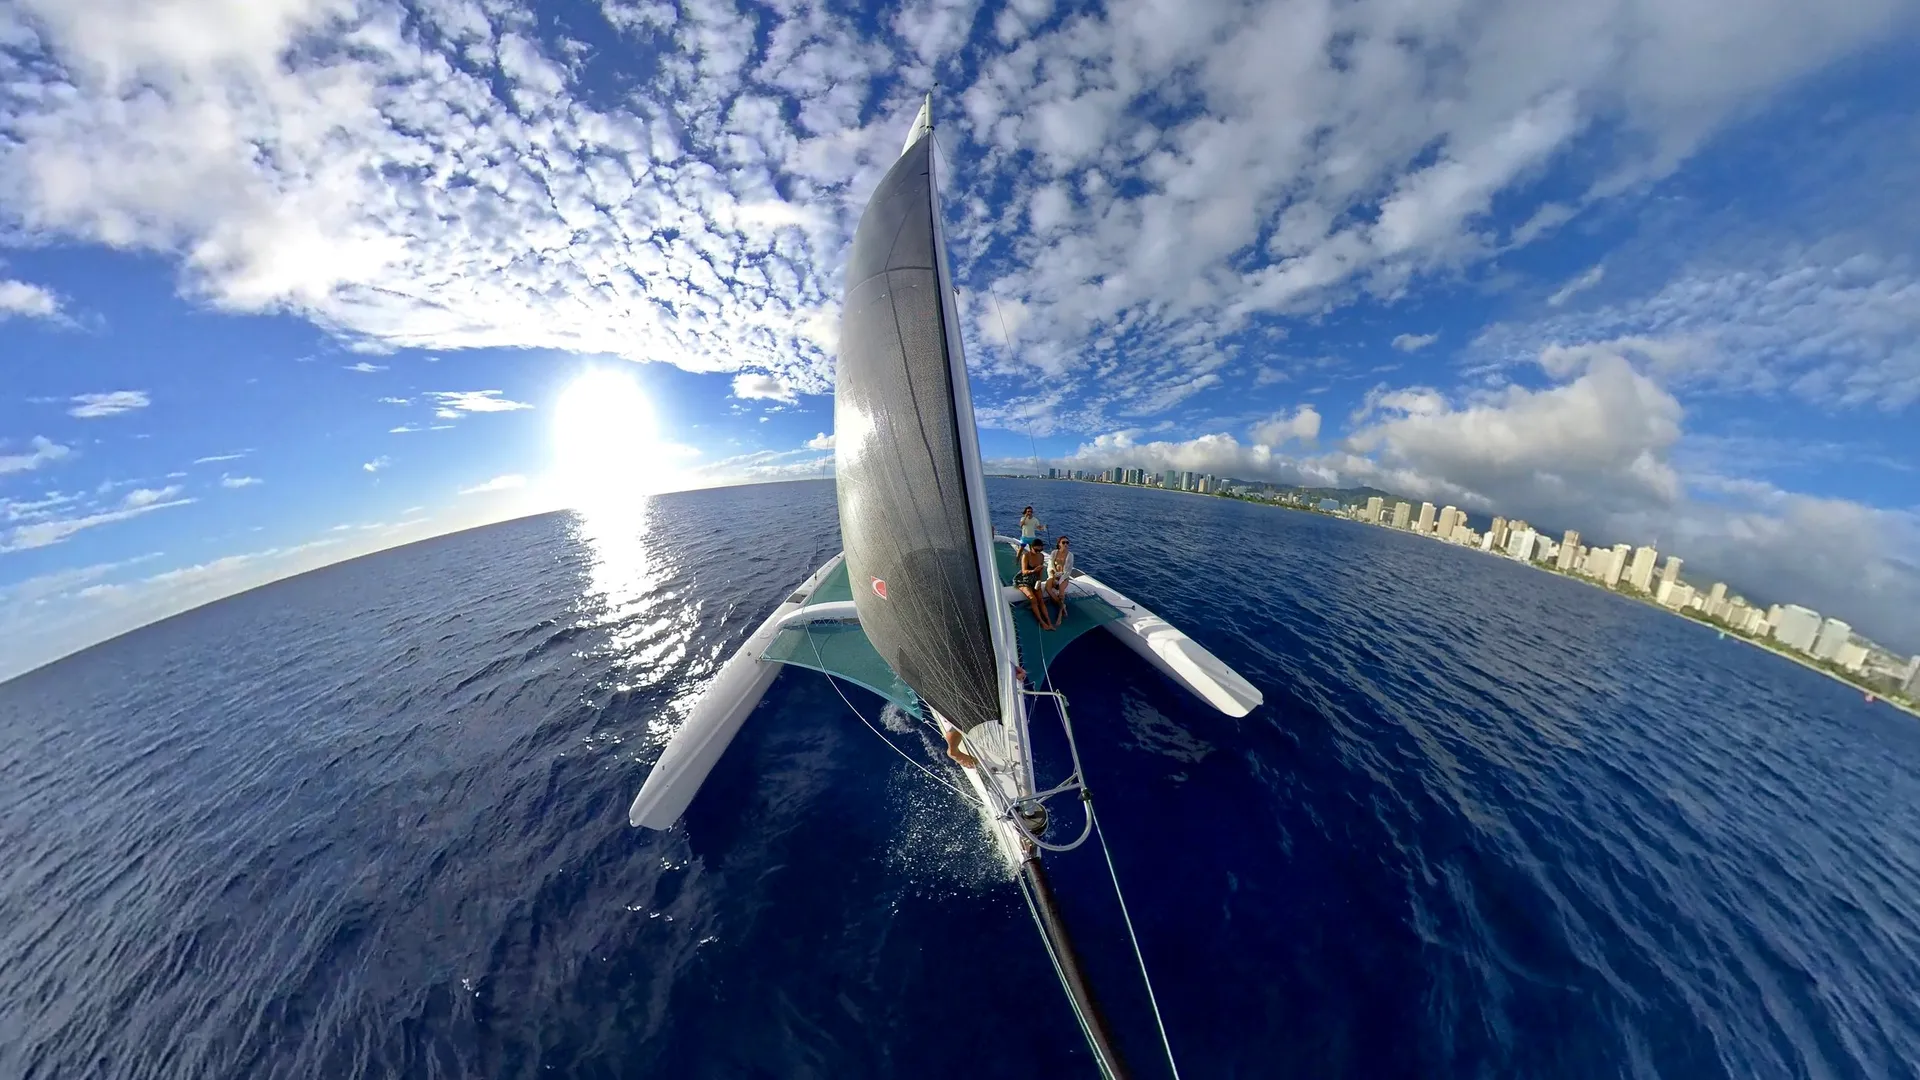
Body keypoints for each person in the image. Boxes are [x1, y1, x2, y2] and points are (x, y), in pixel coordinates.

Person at [1014, 537, 1055, 630]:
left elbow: (1040, 571)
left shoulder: (1041, 556)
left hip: (1035, 579)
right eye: (1036, 549)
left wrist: (1039, 581)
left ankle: (1049, 622)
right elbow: (1024, 571)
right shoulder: (1026, 556)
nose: (1038, 551)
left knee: (1041, 600)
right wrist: (1033, 570)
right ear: (1031, 547)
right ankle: (1042, 622)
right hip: (1024, 579)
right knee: (1033, 599)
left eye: (1040, 549)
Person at [1044, 535, 1074, 623]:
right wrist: (1053, 578)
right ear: (1059, 544)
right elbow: (1050, 566)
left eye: (1067, 542)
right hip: (1053, 575)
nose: (1066, 544)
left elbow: (1068, 571)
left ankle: (1060, 614)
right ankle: (1062, 606)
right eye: (1063, 542)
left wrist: (1060, 580)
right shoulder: (1054, 553)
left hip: (1064, 577)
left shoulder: (1070, 555)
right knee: (1047, 588)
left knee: (1061, 592)